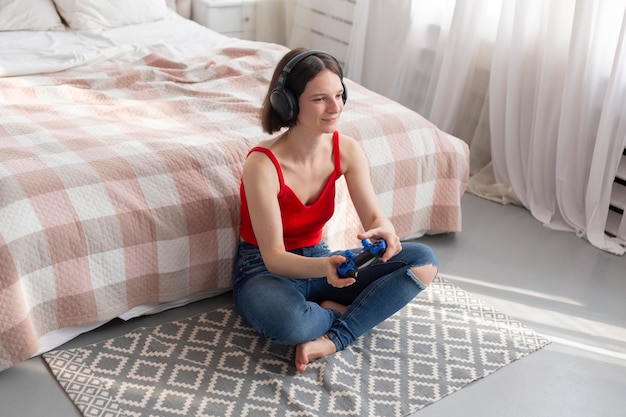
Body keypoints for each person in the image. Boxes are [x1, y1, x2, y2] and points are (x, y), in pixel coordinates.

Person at [233, 48, 439, 372]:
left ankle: (332, 339)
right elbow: (273, 255)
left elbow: (373, 217)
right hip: (265, 270)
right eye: (319, 99)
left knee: (423, 262)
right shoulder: (261, 165)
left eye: (339, 95)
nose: (335, 108)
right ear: (287, 104)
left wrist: (383, 228)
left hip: (321, 258)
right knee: (289, 325)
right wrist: (325, 268)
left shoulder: (348, 150)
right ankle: (338, 313)